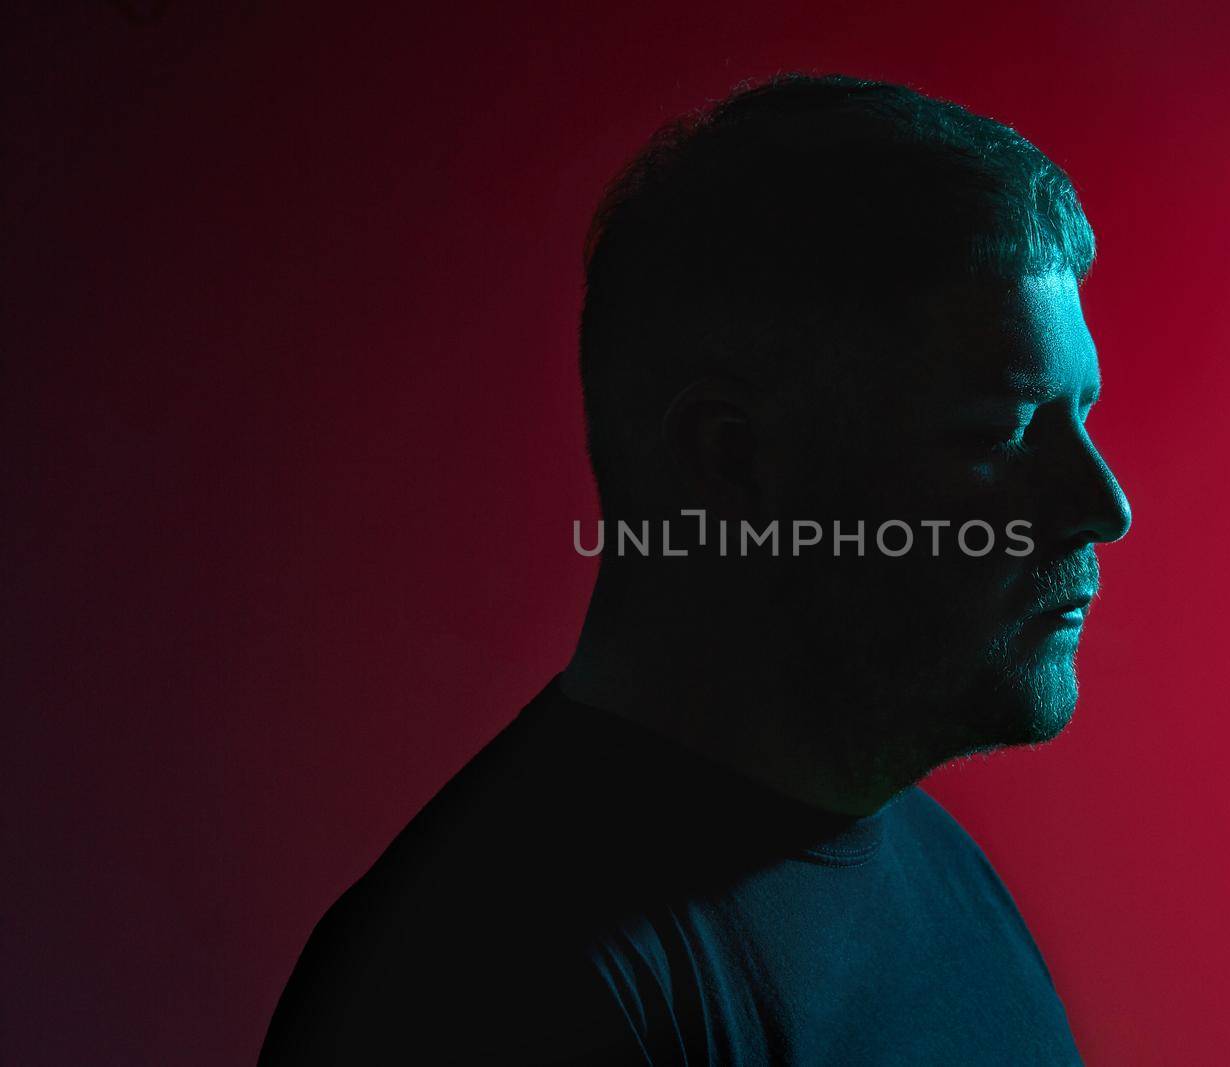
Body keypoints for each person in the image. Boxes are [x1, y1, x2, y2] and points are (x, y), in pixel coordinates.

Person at [260, 72, 1131, 1065]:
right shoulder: (478, 985)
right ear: (731, 460)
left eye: (1084, 415)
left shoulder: (947, 879)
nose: (1103, 506)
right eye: (1000, 428)